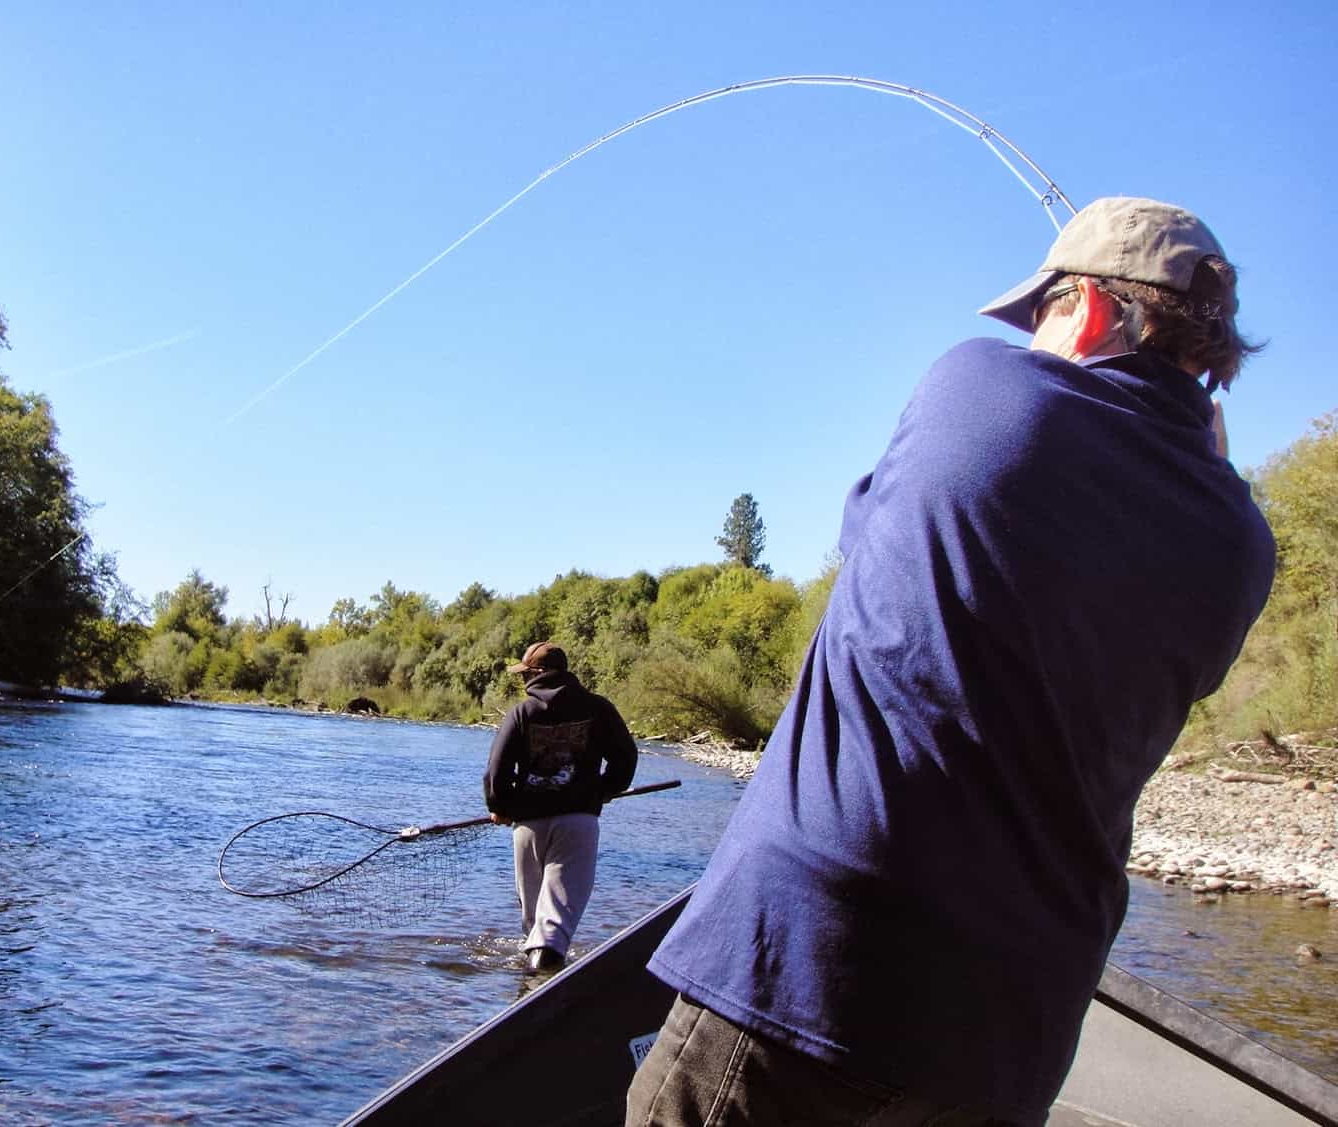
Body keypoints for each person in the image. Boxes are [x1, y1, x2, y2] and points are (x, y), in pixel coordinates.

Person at [626, 197, 1276, 1126]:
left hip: (813, 969)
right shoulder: (1245, 547)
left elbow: (870, 533)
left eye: (1043, 311)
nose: (1029, 337)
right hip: (1011, 1037)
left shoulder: (982, 387)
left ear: (1088, 309)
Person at [484, 641, 638, 973]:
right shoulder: (598, 708)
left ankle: (528, 989)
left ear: (538, 673)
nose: (522, 680)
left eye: (525, 674)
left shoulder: (522, 713)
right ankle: (543, 982)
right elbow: (626, 759)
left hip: (527, 826)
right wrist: (603, 790)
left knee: (533, 917)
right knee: (554, 919)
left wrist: (501, 806)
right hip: (578, 822)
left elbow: (497, 770)